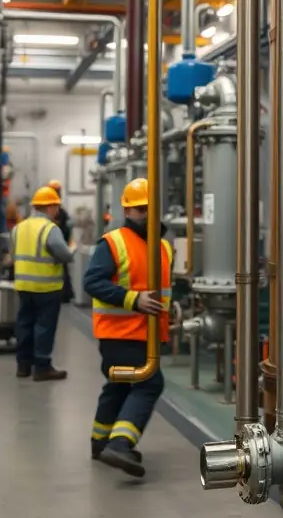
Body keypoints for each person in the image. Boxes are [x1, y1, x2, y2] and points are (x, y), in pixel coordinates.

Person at [83, 177, 172, 478]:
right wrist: (134, 300)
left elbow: (161, 292)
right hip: (120, 333)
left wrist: (168, 319)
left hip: (144, 333)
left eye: (150, 208)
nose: (145, 214)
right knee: (149, 383)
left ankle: (99, 442)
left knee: (118, 385)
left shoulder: (162, 247)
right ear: (126, 210)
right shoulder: (113, 243)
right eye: (139, 209)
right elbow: (92, 282)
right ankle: (121, 444)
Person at [12, 186, 74, 381]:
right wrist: (71, 251)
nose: (57, 211)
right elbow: (64, 254)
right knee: (44, 326)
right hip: (47, 287)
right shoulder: (50, 229)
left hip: (23, 285)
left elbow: (15, 254)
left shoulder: (19, 228)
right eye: (56, 206)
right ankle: (42, 367)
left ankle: (23, 365)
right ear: (50, 207)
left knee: (24, 324)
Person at [48, 180, 74, 302]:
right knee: (61, 268)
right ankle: (65, 294)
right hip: (58, 242)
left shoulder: (60, 213)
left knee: (61, 268)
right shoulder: (60, 212)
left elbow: (66, 228)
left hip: (58, 242)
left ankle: (65, 294)